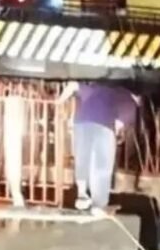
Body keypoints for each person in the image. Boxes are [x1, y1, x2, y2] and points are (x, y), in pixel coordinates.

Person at [57, 81, 139, 214]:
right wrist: (117, 136)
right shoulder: (129, 101)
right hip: (104, 125)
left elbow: (73, 85)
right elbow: (119, 125)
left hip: (81, 122)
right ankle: (98, 204)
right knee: (102, 165)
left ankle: (82, 195)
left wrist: (59, 101)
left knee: (82, 160)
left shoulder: (96, 88)